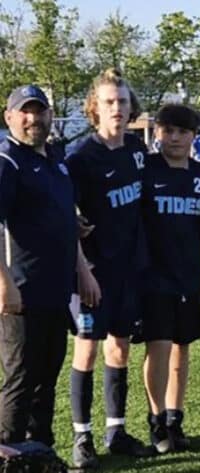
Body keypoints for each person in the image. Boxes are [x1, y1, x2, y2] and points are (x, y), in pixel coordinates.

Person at [65, 69, 155, 467]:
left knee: (119, 348)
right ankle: (81, 437)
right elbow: (64, 217)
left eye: (122, 101)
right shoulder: (81, 158)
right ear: (94, 109)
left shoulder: (137, 149)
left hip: (129, 270)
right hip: (93, 272)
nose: (117, 108)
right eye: (109, 102)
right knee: (86, 350)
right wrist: (83, 270)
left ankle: (115, 431)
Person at [0, 85, 90, 452]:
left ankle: (39, 452)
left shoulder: (55, 158)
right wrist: (4, 283)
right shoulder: (8, 162)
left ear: (50, 115)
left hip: (55, 289)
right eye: (25, 111)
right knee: (21, 378)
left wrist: (78, 250)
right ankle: (8, 454)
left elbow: (56, 213)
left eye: (39, 111)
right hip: (22, 291)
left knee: (46, 377)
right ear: (9, 117)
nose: (32, 118)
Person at [137, 104, 200, 453]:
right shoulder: (145, 169)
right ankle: (156, 420)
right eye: (168, 130)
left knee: (182, 347)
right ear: (157, 132)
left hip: (189, 274)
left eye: (182, 132)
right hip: (153, 275)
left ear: (193, 136)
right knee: (159, 345)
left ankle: (175, 417)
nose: (174, 138)